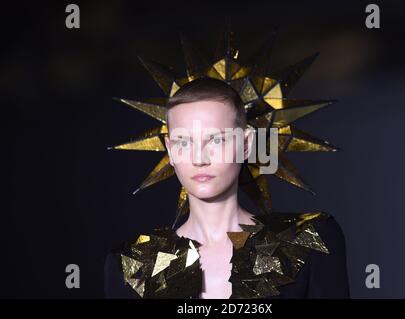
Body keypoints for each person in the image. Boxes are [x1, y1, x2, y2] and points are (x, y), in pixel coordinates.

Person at [104, 77, 350, 299]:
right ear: (169, 149)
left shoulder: (308, 240)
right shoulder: (133, 263)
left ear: (245, 144)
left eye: (216, 139)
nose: (199, 158)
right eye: (184, 141)